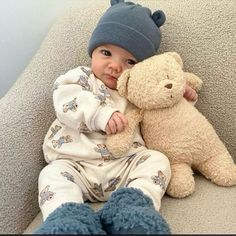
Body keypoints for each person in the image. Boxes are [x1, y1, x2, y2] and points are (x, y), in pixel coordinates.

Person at [34, 0, 198, 234]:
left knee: (157, 160)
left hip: (124, 166)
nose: (115, 66)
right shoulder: (79, 78)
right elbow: (66, 102)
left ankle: (132, 210)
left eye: (129, 61)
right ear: (93, 50)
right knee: (51, 175)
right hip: (76, 164)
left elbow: (163, 104)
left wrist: (180, 96)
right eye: (106, 53)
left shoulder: (137, 88)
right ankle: (67, 220)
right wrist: (100, 114)